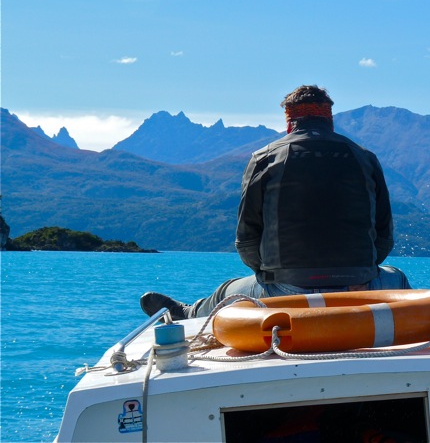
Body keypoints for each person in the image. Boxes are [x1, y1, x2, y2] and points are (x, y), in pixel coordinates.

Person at [141, 85, 410, 320]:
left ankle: (189, 314)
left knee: (225, 291)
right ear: (329, 120)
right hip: (361, 285)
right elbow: (384, 237)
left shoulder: (265, 157)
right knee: (395, 276)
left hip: (286, 287)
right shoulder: (365, 158)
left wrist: (268, 273)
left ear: (290, 121)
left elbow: (246, 239)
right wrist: (359, 270)